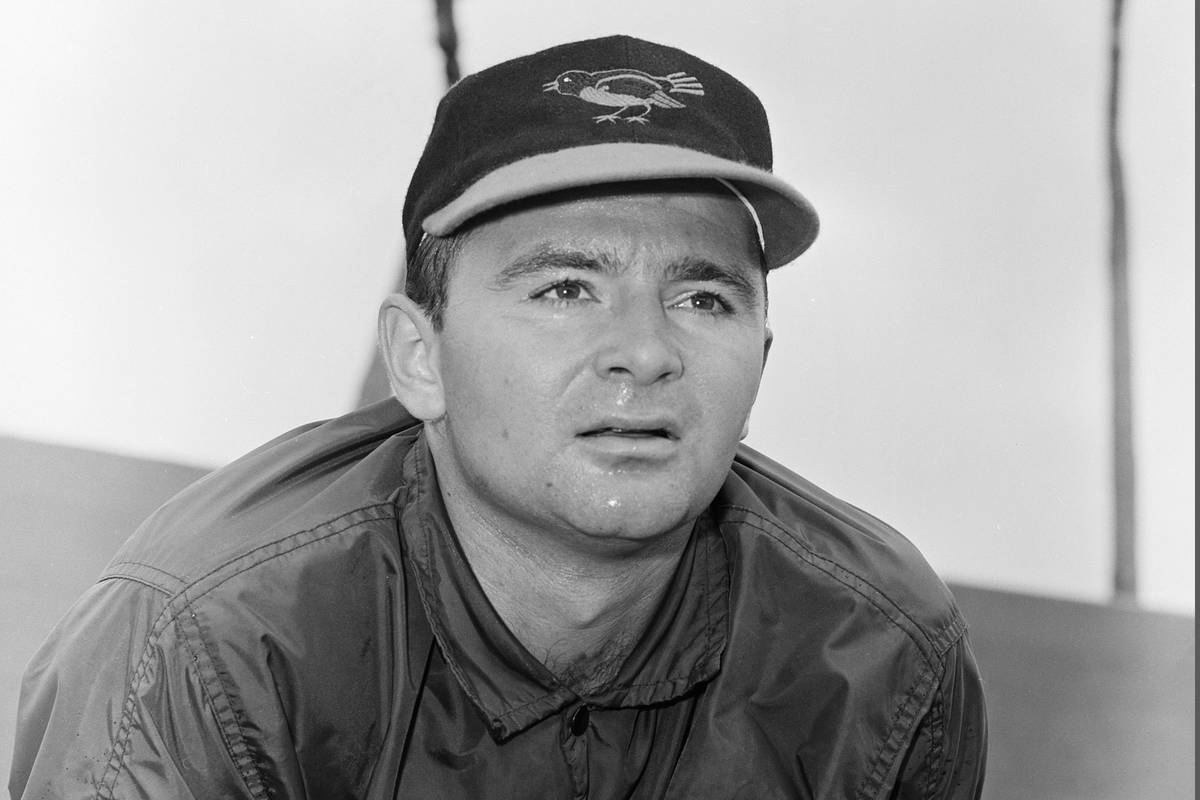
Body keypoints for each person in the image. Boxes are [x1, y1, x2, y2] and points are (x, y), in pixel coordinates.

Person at [10, 35, 986, 799]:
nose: (646, 349)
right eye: (566, 288)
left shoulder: (878, 654)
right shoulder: (206, 643)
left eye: (704, 298)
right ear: (419, 358)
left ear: (762, 357)